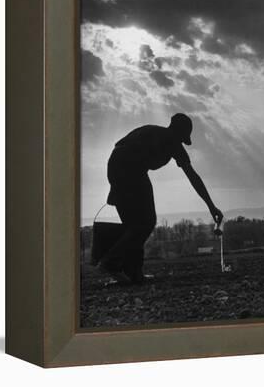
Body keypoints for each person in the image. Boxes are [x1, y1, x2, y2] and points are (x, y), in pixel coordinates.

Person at [95, 113, 224, 284]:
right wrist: (211, 206)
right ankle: (110, 262)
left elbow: (121, 149)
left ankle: (134, 273)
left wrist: (116, 185)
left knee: (135, 224)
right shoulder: (171, 141)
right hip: (128, 168)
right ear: (177, 131)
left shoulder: (159, 134)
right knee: (146, 222)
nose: (181, 142)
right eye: (182, 137)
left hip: (121, 166)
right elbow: (193, 176)